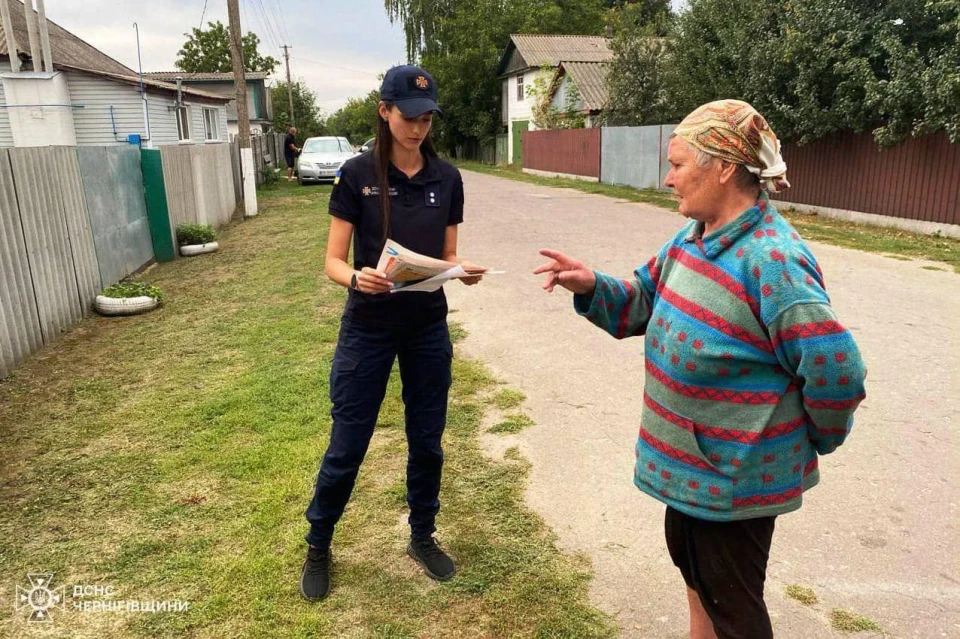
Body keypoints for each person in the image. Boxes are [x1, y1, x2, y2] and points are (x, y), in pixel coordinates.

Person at [533, 100, 867, 639]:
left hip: (734, 483)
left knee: (734, 612)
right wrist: (592, 284)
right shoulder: (695, 237)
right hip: (693, 472)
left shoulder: (770, 259)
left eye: (678, 164)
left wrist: (812, 440)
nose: (668, 179)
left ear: (725, 167)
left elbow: (835, 368)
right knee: (699, 587)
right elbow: (643, 298)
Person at [300, 65, 483, 602]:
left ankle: (422, 536)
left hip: (426, 327)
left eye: (427, 117)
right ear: (384, 111)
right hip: (369, 328)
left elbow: (446, 256)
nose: (419, 127)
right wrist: (359, 277)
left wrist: (461, 270)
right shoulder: (357, 173)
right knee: (348, 442)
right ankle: (319, 543)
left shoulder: (446, 178)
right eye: (409, 115)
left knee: (427, 441)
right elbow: (333, 261)